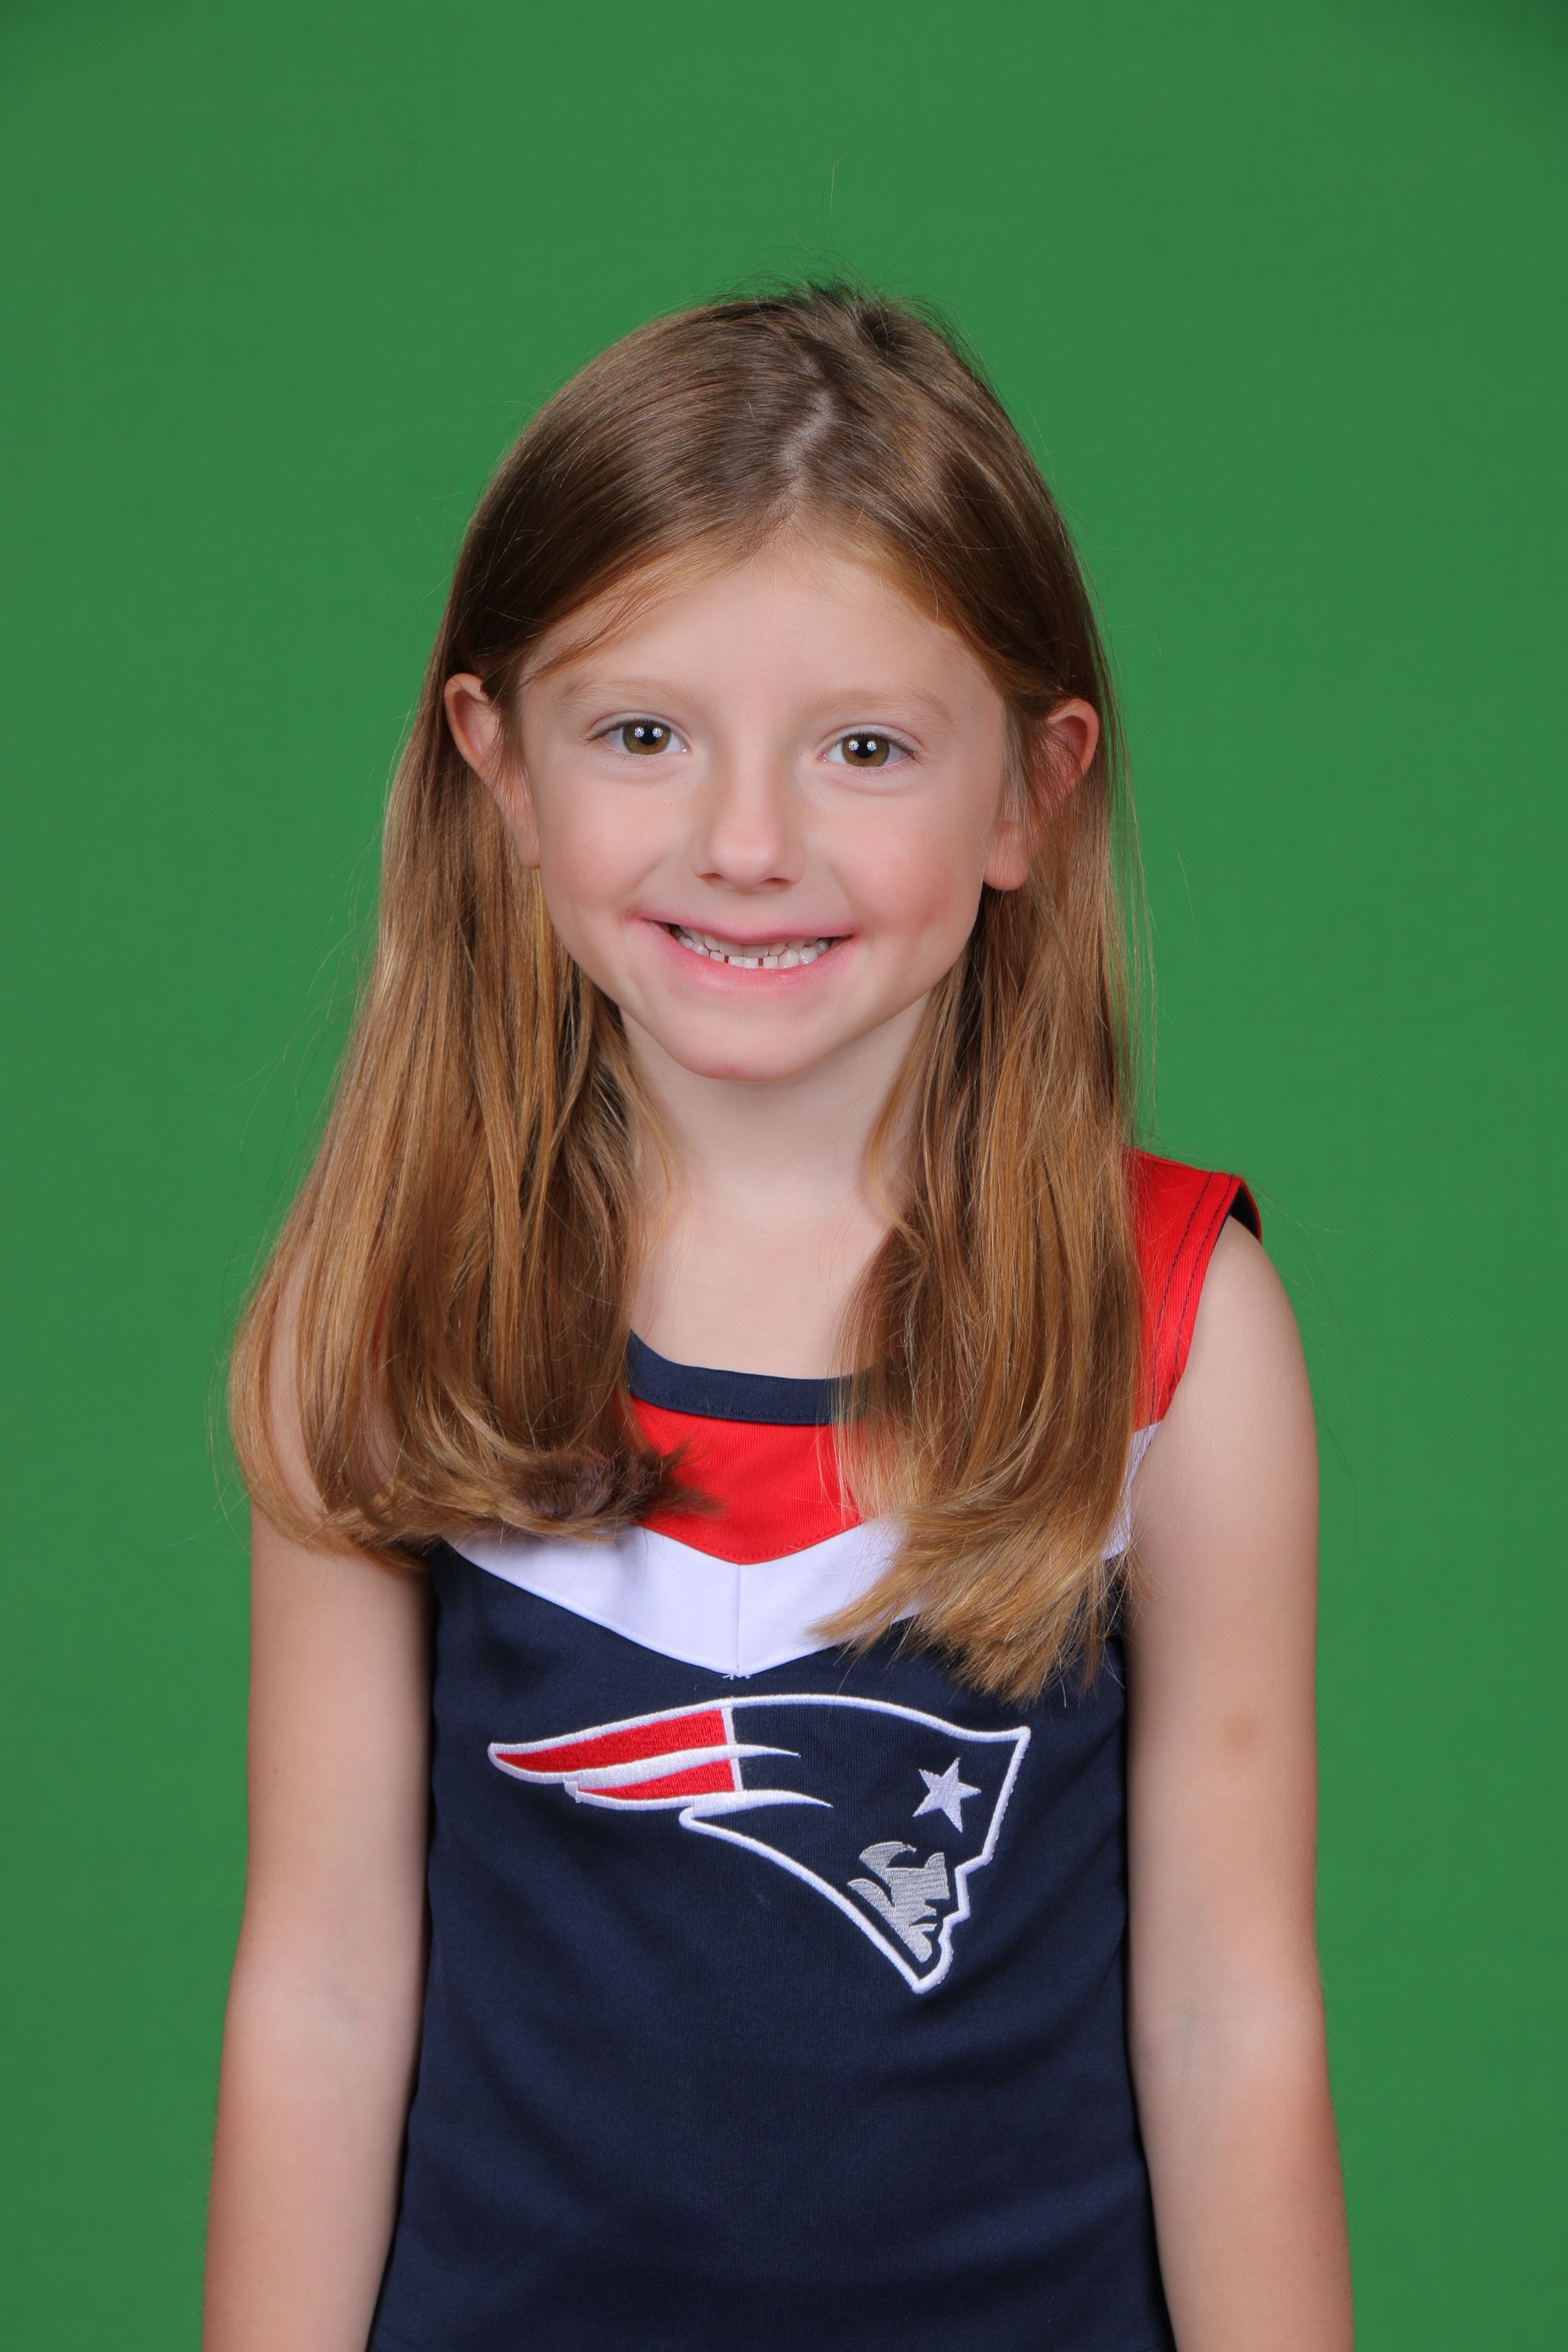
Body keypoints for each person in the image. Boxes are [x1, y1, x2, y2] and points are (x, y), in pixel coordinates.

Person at [204, 285, 1353, 2352]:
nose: (748, 845)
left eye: (866, 749)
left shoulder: (1178, 1325)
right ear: (498, 766)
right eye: (644, 734)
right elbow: (324, 1986)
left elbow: (1226, 2010)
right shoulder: (387, 1307)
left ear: (1028, 797)